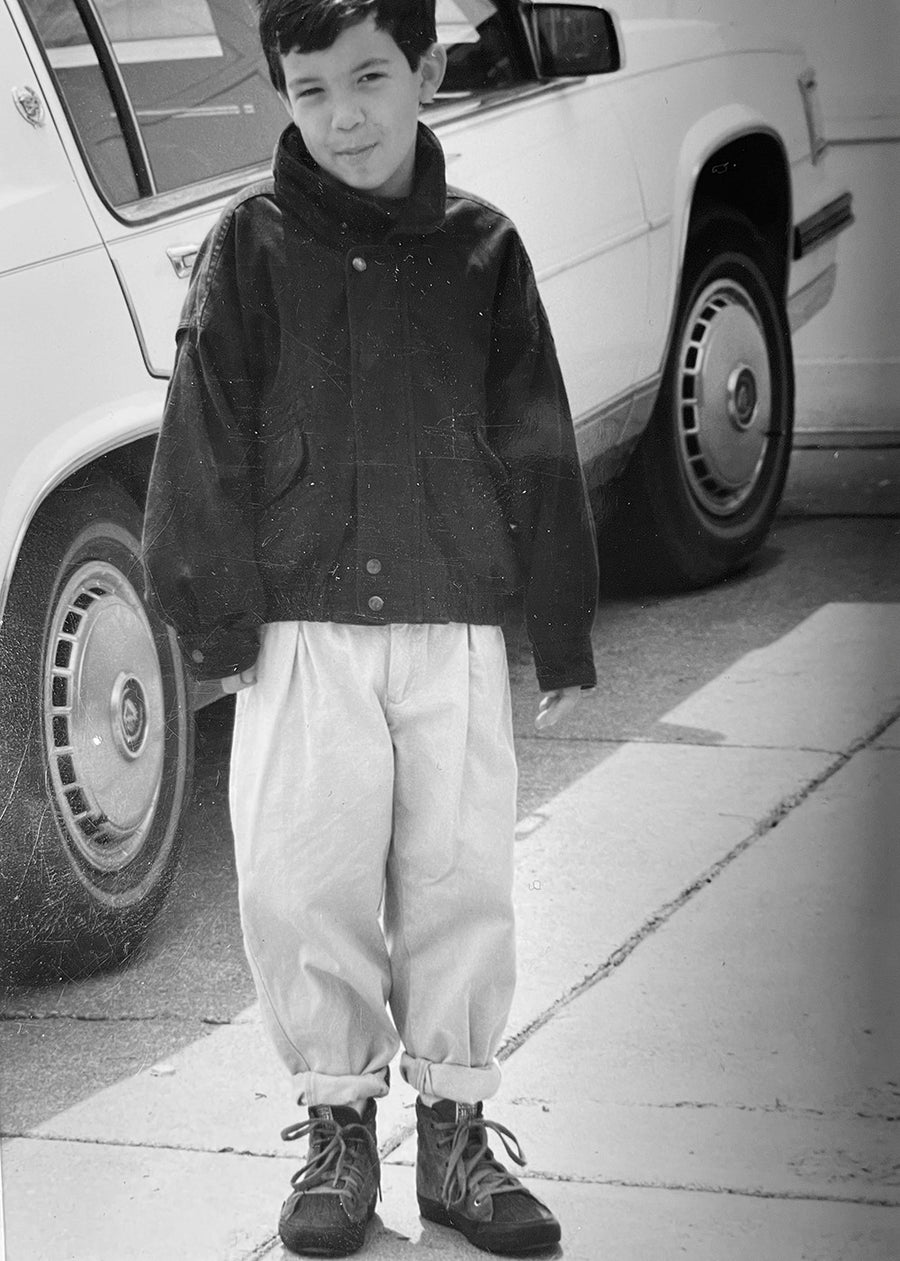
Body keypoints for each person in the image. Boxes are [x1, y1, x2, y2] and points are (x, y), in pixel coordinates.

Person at [142, 0, 598, 1253]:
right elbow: (202, 437)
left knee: (461, 874)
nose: (343, 116)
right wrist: (215, 618)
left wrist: (552, 628)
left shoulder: (482, 249)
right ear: (280, 93)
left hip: (452, 621)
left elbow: (536, 435)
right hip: (302, 628)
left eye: (370, 77)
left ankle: (455, 1132)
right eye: (308, 88)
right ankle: (338, 1123)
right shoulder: (249, 247)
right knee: (301, 878)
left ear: (427, 70)